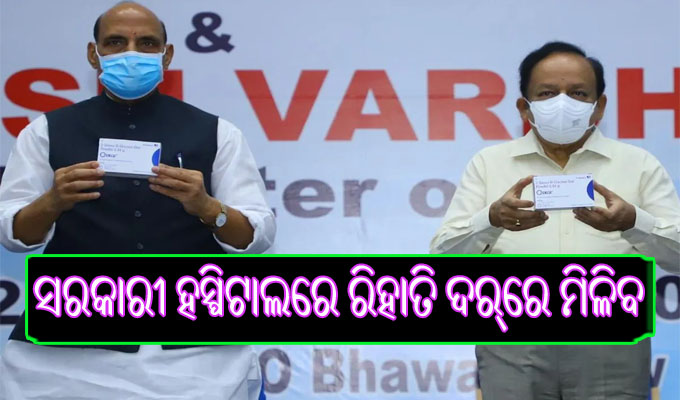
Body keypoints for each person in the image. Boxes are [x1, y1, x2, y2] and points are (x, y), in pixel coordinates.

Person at [0, 2, 275, 399]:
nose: (131, 54)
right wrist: (53, 201)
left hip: (197, 359)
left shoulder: (218, 132)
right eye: (116, 42)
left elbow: (256, 236)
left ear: (167, 54)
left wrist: (207, 207)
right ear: (93, 53)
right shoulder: (45, 131)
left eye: (146, 43)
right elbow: (12, 233)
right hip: (62, 356)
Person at [430, 41, 680, 400]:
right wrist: (491, 219)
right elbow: (443, 255)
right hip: (512, 343)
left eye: (578, 93)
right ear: (525, 107)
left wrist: (633, 222)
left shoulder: (638, 164)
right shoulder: (489, 163)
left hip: (612, 342)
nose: (563, 103)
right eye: (547, 93)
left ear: (599, 106)